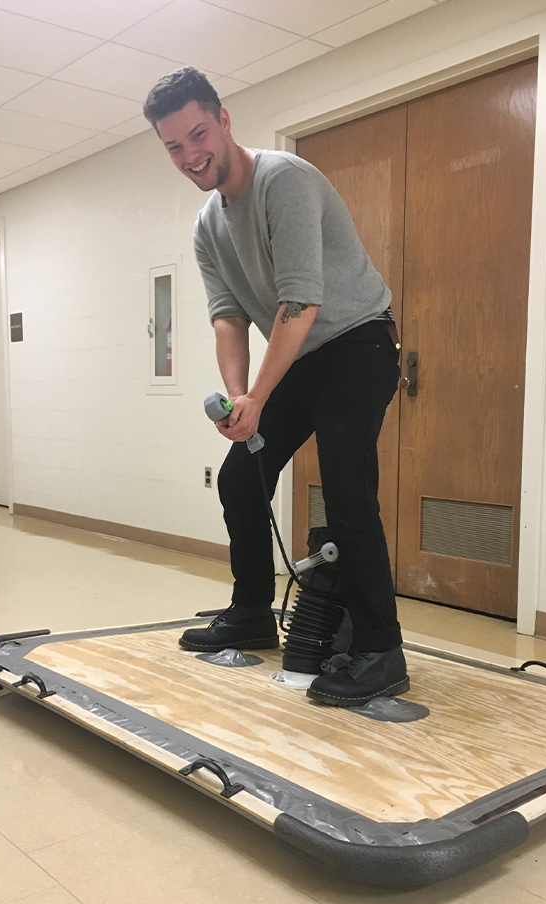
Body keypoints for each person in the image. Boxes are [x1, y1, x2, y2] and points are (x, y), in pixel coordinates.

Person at [143, 67, 408, 706]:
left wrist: (259, 395)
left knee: (345, 487)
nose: (190, 155)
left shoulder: (283, 180)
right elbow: (229, 316)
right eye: (174, 146)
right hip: (300, 358)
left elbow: (299, 302)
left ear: (224, 120)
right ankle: (253, 614)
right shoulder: (209, 223)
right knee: (241, 477)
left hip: (358, 343)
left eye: (198, 134)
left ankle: (381, 651)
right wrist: (241, 399)